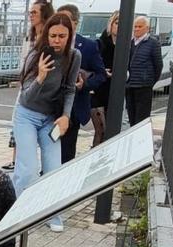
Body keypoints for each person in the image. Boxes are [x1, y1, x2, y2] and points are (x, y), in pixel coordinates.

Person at [12, 13, 79, 231]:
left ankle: (53, 214)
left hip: (51, 118)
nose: (57, 41)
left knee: (54, 168)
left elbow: (69, 89)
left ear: (70, 36)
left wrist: (66, 116)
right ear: (46, 35)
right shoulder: (35, 55)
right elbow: (26, 97)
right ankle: (19, 211)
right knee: (28, 168)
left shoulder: (74, 56)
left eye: (62, 36)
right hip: (26, 114)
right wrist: (40, 76)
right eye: (53, 36)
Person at [3, 0, 54, 171]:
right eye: (30, 12)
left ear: (44, 15)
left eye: (34, 12)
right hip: (26, 88)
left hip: (42, 91)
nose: (30, 15)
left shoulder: (49, 39)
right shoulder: (30, 36)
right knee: (18, 126)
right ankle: (17, 162)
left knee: (47, 141)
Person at [57, 4, 106, 164]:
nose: (60, 22)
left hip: (74, 108)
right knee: (50, 149)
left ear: (75, 22)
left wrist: (84, 84)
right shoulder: (51, 43)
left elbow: (100, 75)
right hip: (50, 106)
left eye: (65, 19)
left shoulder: (88, 46)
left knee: (66, 153)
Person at [125, 16, 161, 126]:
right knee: (131, 116)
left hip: (144, 87)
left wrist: (149, 81)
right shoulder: (130, 43)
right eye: (135, 26)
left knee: (141, 119)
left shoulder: (153, 43)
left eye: (139, 27)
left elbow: (158, 65)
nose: (136, 29)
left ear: (147, 28)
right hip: (130, 86)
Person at [91, 11, 118, 147]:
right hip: (98, 92)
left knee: (112, 133)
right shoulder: (100, 43)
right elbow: (90, 66)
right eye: (117, 23)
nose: (119, 27)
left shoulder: (126, 45)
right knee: (101, 131)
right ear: (111, 24)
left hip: (114, 93)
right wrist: (102, 71)